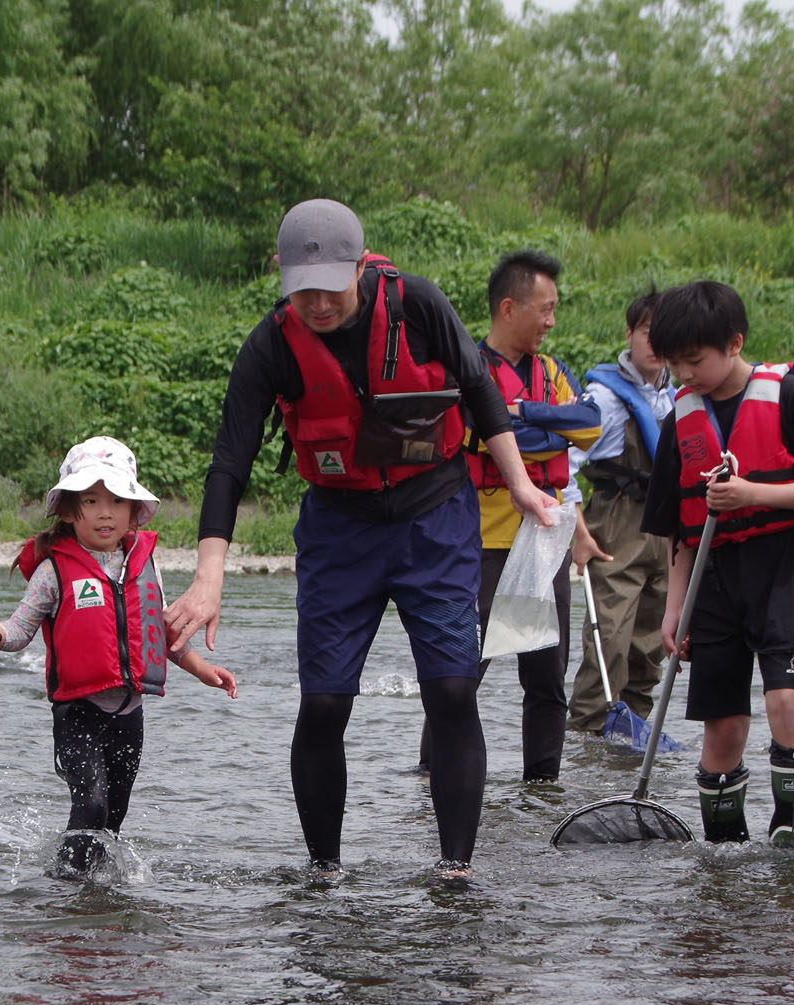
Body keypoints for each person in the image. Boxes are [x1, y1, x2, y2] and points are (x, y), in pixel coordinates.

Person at [164, 198, 558, 878]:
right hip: (340, 529)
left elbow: (477, 387)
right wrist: (209, 573)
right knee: (322, 702)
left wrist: (520, 483)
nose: (316, 303)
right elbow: (231, 459)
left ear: (358, 267)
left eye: (330, 286)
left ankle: (456, 870)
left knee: (453, 690)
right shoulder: (271, 345)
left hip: (434, 519)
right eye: (300, 289)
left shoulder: (417, 304)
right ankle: (323, 870)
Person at [0, 437, 238, 877]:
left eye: (116, 500)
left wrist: (203, 670)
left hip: (129, 716)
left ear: (134, 511)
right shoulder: (53, 571)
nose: (105, 512)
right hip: (78, 713)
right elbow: (20, 629)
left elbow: (163, 633)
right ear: (72, 511)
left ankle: (96, 897)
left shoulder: (144, 565)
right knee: (91, 801)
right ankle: (66, 889)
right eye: (91, 501)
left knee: (113, 817)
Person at [640, 281, 794, 851]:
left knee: (787, 701)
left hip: (786, 571)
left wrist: (753, 494)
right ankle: (725, 850)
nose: (685, 375)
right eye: (675, 364)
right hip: (713, 579)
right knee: (723, 725)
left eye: (695, 361)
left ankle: (792, 830)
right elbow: (681, 533)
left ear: (734, 343)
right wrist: (673, 608)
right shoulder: (678, 422)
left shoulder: (790, 397)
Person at [425, 250, 603, 781]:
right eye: (544, 310)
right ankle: (433, 778)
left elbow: (590, 425)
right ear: (509, 308)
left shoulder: (553, 371)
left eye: (554, 310)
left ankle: (542, 787)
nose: (551, 321)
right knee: (460, 675)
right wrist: (548, 432)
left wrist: (526, 414)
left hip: (543, 544)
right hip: (479, 544)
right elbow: (478, 433)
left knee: (547, 676)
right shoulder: (469, 369)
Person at [568, 289, 675, 735]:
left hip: (666, 530)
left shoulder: (681, 394)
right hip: (615, 523)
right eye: (647, 333)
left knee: (650, 646)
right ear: (630, 334)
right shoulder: (604, 399)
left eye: (663, 335)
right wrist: (578, 533)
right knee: (607, 640)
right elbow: (564, 469)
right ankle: (586, 738)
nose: (654, 344)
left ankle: (629, 742)